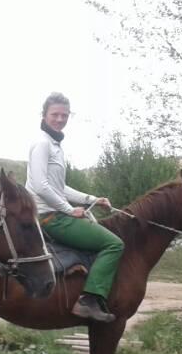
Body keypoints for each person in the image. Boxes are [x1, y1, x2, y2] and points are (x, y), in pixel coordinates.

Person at [25, 92, 123, 323]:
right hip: (50, 217)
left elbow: (60, 187)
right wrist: (69, 210)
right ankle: (89, 300)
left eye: (64, 115)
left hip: (55, 213)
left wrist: (91, 199)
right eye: (55, 114)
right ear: (44, 115)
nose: (60, 119)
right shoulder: (42, 144)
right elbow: (40, 186)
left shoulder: (55, 146)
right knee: (114, 244)